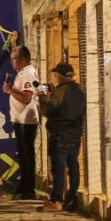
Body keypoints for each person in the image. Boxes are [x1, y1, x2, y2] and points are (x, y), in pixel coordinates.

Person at [38, 63, 85, 212]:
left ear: (59, 76)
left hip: (60, 135)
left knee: (58, 168)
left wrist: (43, 98)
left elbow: (49, 111)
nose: (55, 77)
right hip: (75, 135)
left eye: (56, 75)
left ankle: (56, 200)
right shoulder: (80, 90)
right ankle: (71, 198)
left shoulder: (60, 92)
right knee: (73, 166)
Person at [3, 37, 40, 200]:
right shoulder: (24, 72)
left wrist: (9, 90)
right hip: (21, 120)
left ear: (22, 60)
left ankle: (28, 189)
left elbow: (26, 98)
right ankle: (24, 186)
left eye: (14, 59)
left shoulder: (28, 74)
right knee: (24, 154)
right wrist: (13, 44)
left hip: (26, 121)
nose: (12, 61)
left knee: (26, 155)